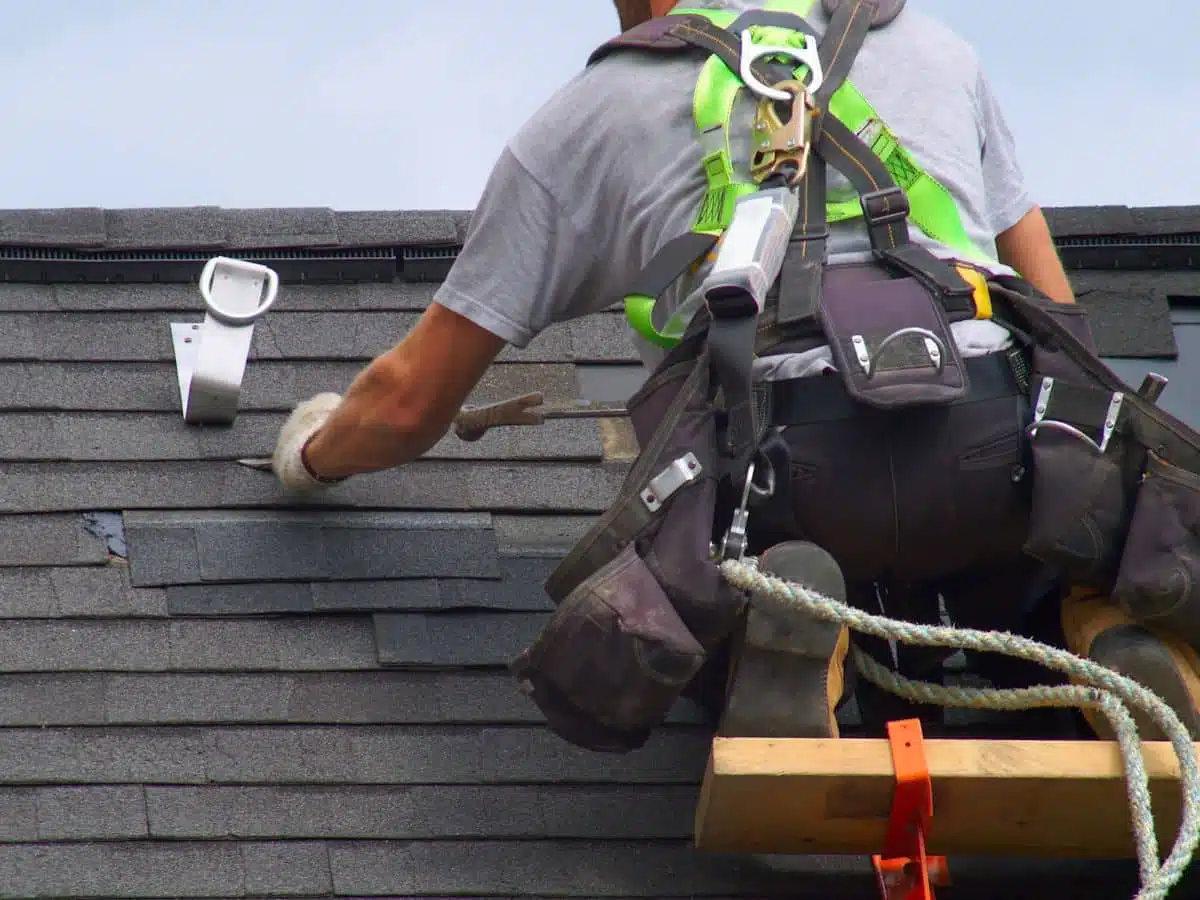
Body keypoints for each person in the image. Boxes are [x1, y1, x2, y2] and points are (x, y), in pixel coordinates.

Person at [269, 0, 1200, 746]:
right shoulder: (932, 45)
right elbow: (1065, 328)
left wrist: (311, 457)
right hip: (997, 452)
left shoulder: (591, 114)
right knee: (1044, 559)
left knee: (702, 586)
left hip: (784, 474)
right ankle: (1100, 630)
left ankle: (784, 640)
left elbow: (408, 401)